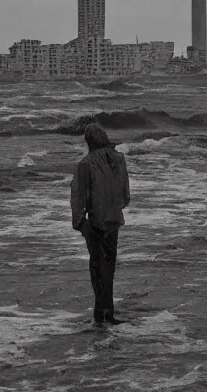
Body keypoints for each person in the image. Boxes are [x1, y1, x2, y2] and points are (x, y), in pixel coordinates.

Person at [70, 123, 131, 328]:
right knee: (109, 268)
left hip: (96, 222)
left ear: (89, 142)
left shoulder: (85, 164)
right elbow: (126, 198)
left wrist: (80, 223)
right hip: (114, 219)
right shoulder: (119, 160)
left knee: (98, 269)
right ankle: (107, 313)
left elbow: (78, 199)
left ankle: (101, 315)